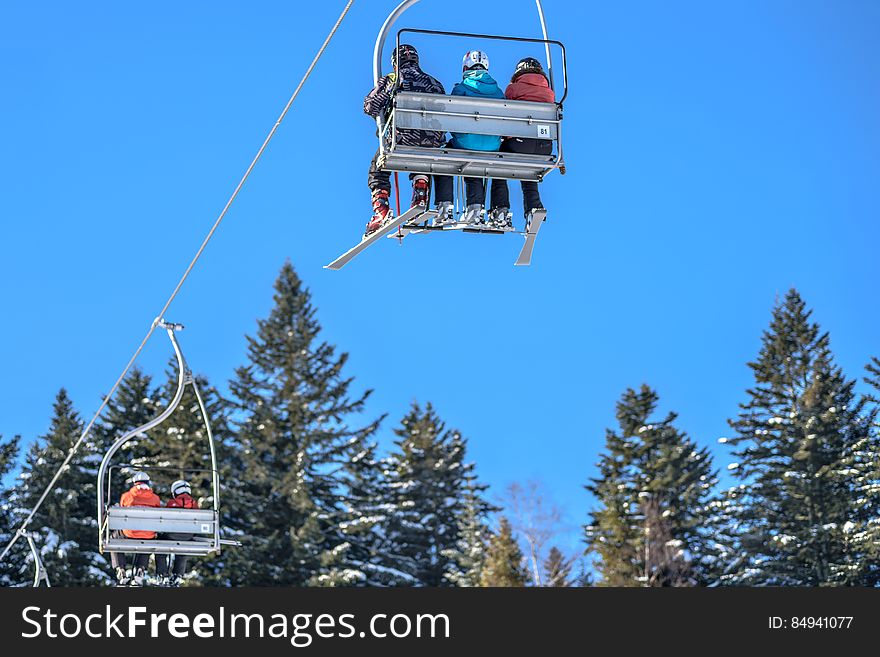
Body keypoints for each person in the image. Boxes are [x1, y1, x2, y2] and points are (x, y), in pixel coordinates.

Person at [363, 44, 454, 235]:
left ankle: (381, 210)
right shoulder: (435, 83)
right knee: (422, 155)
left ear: (396, 61)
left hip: (402, 138)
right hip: (431, 142)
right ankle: (420, 192)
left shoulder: (394, 78)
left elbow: (371, 105)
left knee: (377, 168)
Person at [488, 57, 556, 229]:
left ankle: (500, 209)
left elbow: (506, 114)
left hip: (519, 142)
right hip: (544, 146)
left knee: (498, 165)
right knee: (529, 170)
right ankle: (534, 207)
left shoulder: (513, 89)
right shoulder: (550, 93)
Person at [448, 50, 505, 225]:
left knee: (457, 155)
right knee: (496, 164)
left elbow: (450, 118)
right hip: (493, 145)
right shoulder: (498, 92)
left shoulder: (461, 88)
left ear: (465, 67)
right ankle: (501, 209)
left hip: (467, 143)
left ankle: (472, 206)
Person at [110, 471, 161, 586]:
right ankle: (141, 569)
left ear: (134, 483)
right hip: (148, 535)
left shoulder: (126, 496)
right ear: (148, 483)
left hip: (129, 533)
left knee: (113, 538)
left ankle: (120, 568)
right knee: (148, 538)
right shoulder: (155, 498)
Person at [155, 479, 199, 587]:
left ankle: (162, 574)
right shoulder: (194, 504)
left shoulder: (172, 503)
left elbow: (165, 520)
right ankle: (178, 575)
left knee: (160, 550)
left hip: (171, 535)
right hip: (188, 535)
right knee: (183, 549)